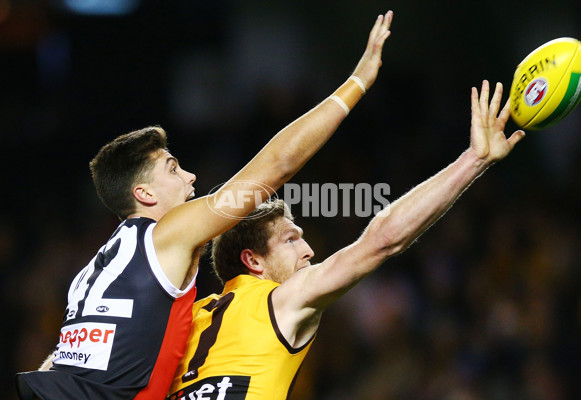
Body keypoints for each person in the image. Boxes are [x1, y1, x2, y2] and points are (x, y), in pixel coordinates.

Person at [15, 11, 394, 400]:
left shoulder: (91, 275)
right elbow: (275, 167)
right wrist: (356, 84)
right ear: (144, 195)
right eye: (173, 168)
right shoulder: (164, 236)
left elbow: (63, 364)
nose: (191, 178)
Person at [166, 80, 526, 399]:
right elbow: (382, 239)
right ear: (253, 261)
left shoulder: (186, 322)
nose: (308, 251)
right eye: (290, 240)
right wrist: (474, 161)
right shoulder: (279, 301)